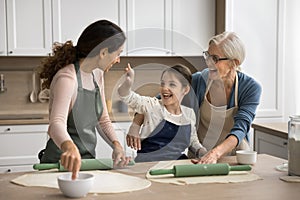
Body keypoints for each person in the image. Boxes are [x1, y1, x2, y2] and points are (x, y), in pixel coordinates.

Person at [129, 31, 262, 164]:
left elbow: (241, 128)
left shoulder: (250, 88)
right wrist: (136, 124)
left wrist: (215, 153)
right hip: (200, 152)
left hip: (234, 155)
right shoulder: (200, 80)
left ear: (234, 63)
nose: (209, 62)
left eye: (215, 58)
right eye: (207, 56)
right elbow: (158, 100)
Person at [38, 19, 130, 179]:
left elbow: (103, 120)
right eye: (118, 53)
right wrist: (69, 147)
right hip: (58, 164)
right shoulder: (67, 79)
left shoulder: (97, 74)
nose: (118, 59)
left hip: (86, 163)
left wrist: (116, 145)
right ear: (103, 52)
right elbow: (56, 124)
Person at [118, 64, 207, 162]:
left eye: (172, 84)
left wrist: (201, 151)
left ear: (185, 90)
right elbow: (127, 96)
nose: (164, 88)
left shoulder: (189, 114)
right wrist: (127, 83)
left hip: (176, 164)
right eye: (163, 83)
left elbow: (192, 141)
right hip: (148, 164)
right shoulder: (152, 105)